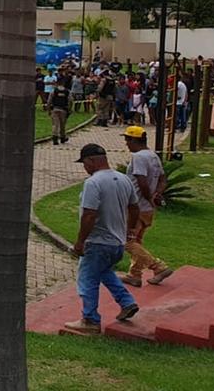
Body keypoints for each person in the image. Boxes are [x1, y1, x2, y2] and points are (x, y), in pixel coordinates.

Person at [65, 143, 141, 334]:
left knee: (87, 279)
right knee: (105, 272)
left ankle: (90, 319)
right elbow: (134, 207)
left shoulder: (93, 183)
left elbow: (89, 214)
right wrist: (130, 229)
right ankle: (127, 302)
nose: (85, 167)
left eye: (84, 163)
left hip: (98, 242)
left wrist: (81, 241)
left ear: (91, 161)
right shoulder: (124, 179)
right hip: (117, 243)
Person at [120, 127, 175, 287]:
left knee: (127, 242)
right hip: (148, 209)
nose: (126, 144)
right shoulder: (153, 156)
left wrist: (148, 197)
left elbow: (142, 181)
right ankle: (134, 275)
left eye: (127, 140)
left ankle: (158, 267)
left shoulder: (138, 157)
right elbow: (163, 179)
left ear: (134, 140)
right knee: (137, 241)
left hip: (136, 207)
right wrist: (157, 194)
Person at [48, 74, 71, 144]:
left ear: (57, 83)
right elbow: (70, 101)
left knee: (55, 124)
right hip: (63, 110)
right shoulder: (67, 91)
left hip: (55, 109)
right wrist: (69, 109)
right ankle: (62, 137)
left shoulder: (54, 91)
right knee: (62, 125)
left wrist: (48, 110)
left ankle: (55, 138)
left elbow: (49, 101)